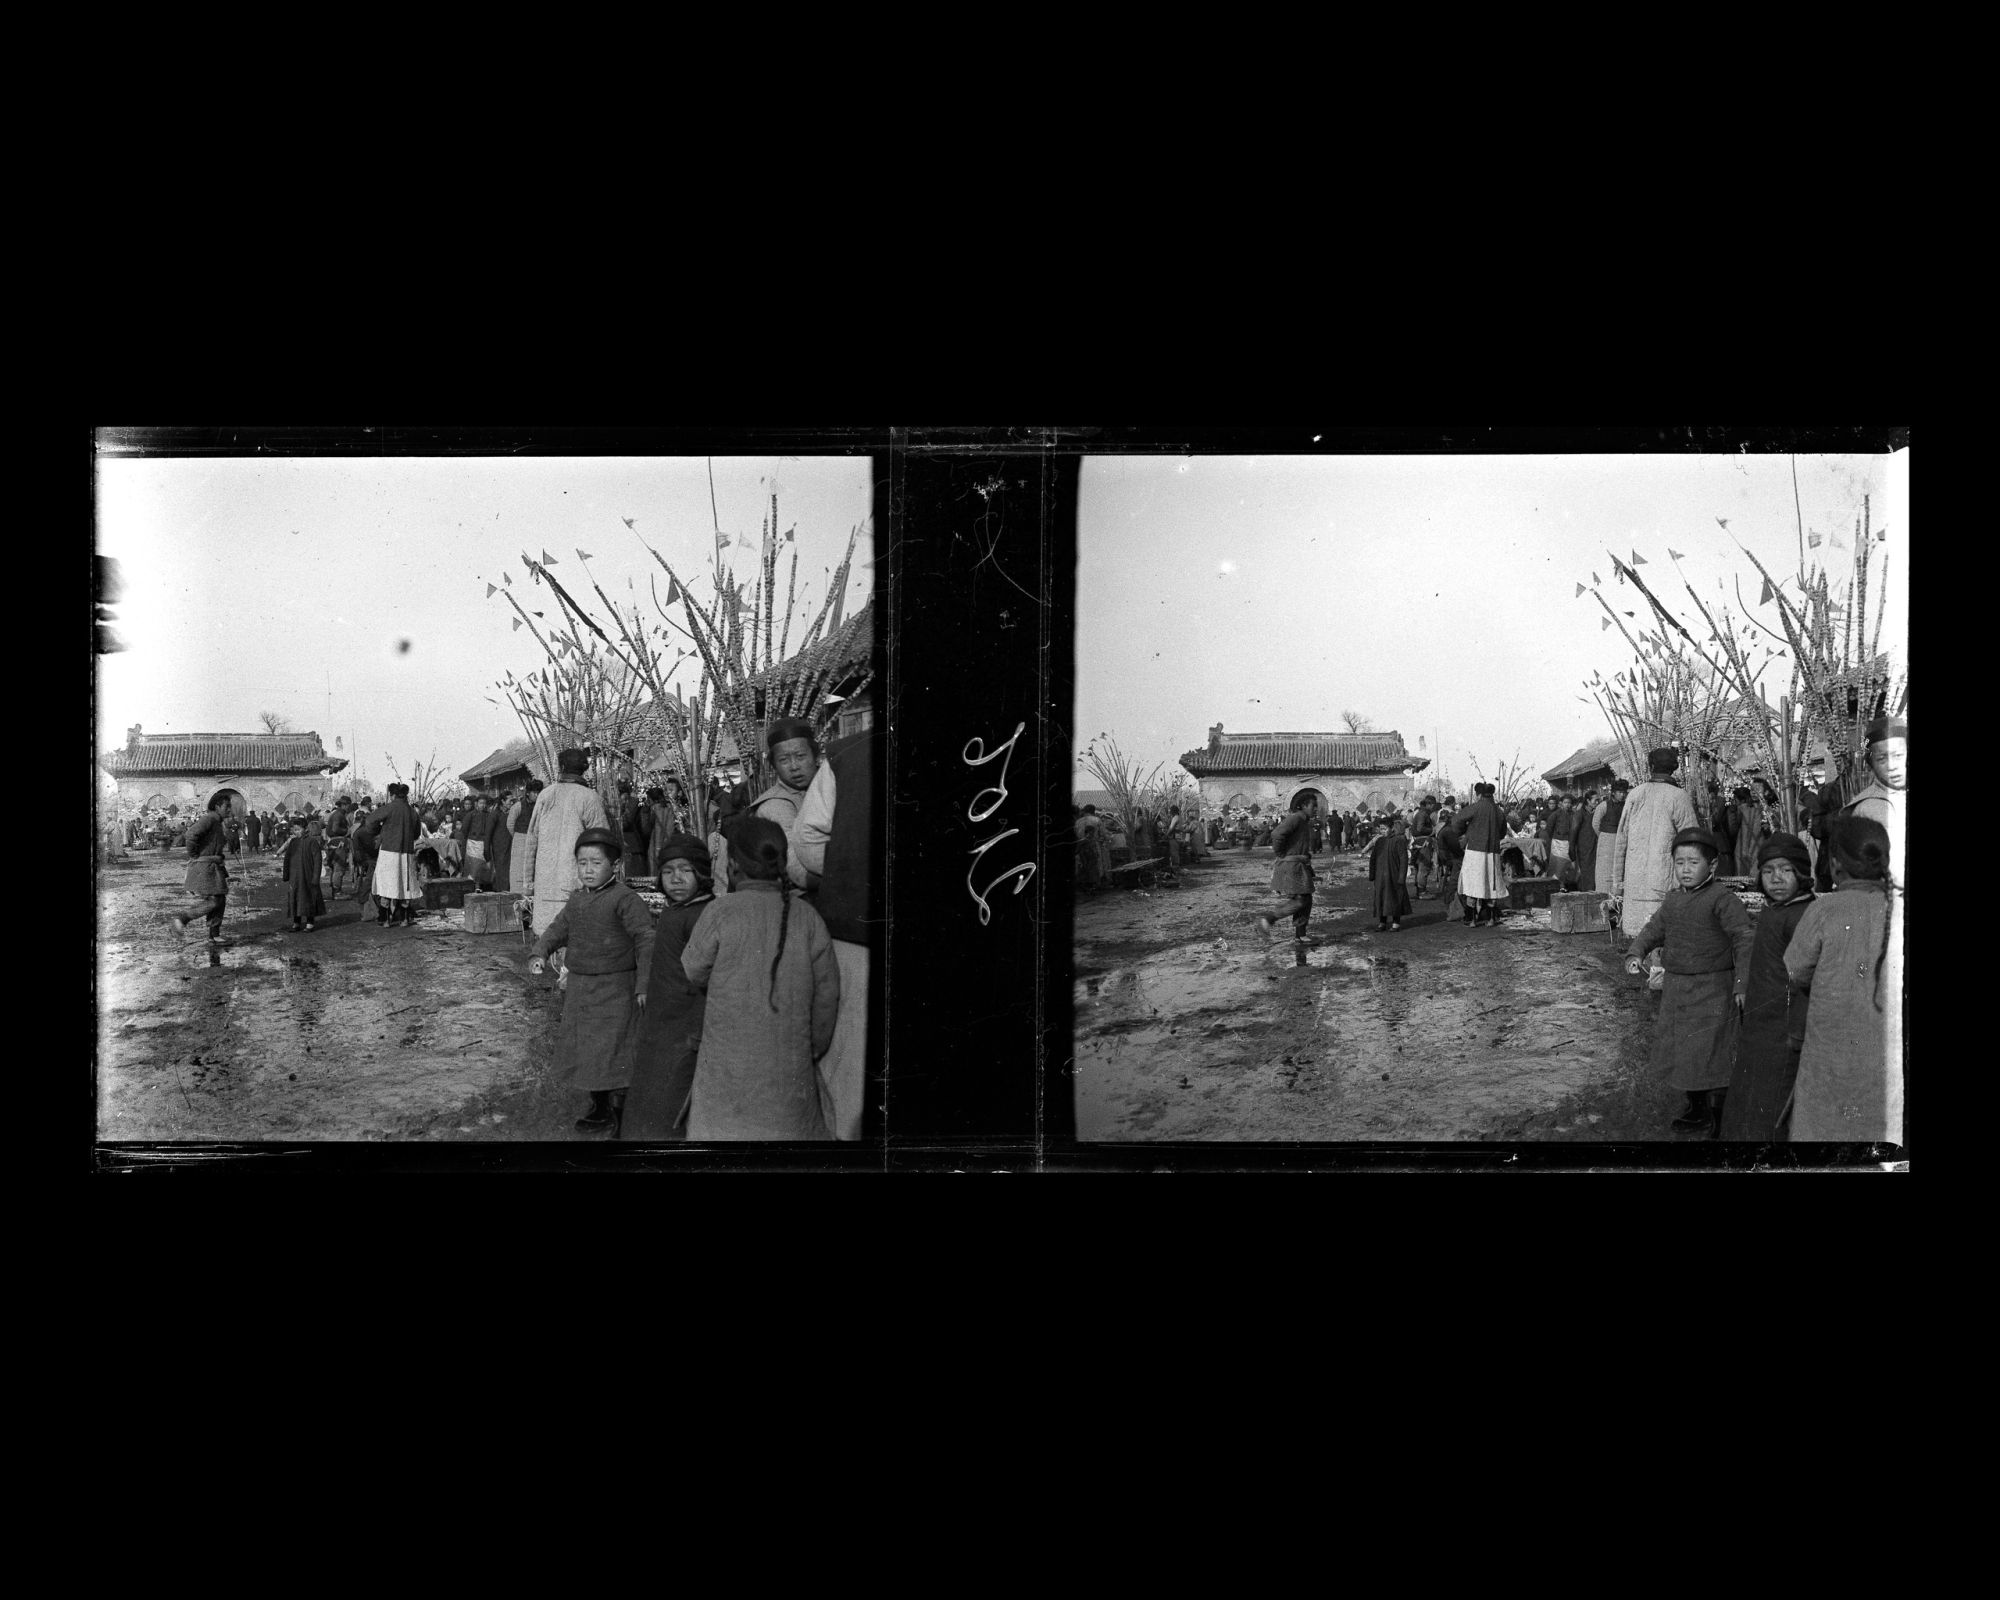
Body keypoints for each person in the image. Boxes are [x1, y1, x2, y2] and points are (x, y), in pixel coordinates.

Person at [684, 816, 841, 1140]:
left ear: (734, 866)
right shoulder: (808, 916)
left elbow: (693, 968)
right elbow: (828, 991)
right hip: (788, 1067)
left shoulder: (720, 911)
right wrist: (812, 1045)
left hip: (726, 1066)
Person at [1623, 826, 1755, 1137]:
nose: (1685, 869)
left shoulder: (1722, 900)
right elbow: (1654, 929)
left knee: (1713, 1053)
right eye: (1679, 862)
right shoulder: (1671, 901)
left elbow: (1744, 939)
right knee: (1684, 1051)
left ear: (1712, 866)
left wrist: (1742, 983)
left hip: (1713, 989)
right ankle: (1695, 1108)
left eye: (1693, 863)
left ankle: (1718, 1117)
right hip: (1678, 989)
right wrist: (1636, 952)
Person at [1783, 813, 1902, 1143]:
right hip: (1885, 1040)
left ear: (1834, 865)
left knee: (1824, 1121)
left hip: (1831, 1040)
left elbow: (1795, 968)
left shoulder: (1823, 910)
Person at [786, 721, 878, 1140]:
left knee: (852, 1059)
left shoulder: (850, 751)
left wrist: (849, 870)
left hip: (855, 925)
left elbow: (807, 838)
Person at [530, 827, 655, 1136]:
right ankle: (598, 1106)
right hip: (582, 989)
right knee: (588, 1051)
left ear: (615, 865)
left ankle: (620, 1114)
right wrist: (540, 951)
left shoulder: (625, 899)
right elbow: (559, 928)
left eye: (596, 863)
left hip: (616, 988)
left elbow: (646, 940)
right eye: (582, 862)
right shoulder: (576, 900)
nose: (587, 869)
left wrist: (644, 985)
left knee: (615, 1052)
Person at [1719, 833, 1818, 1142]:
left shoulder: (1804, 915)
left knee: (1774, 1095)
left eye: (1786, 870)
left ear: (1802, 873)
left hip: (1785, 1026)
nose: (1776, 879)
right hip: (1762, 1021)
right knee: (1751, 1088)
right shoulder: (1775, 909)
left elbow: (1810, 979)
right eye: (1768, 871)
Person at [621, 834, 716, 1140]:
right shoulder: (676, 910)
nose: (676, 879)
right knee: (653, 1078)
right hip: (662, 1013)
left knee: (674, 1081)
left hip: (686, 1016)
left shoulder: (703, 915)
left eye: (685, 870)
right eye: (668, 871)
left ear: (702, 873)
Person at [1606, 748, 1698, 945]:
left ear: (1650, 767)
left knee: (1639, 939)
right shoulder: (1679, 797)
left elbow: (1621, 840)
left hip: (1635, 878)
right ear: (1675, 768)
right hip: (1664, 878)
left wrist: (1618, 884)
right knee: (1662, 939)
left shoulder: (1635, 795)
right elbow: (1692, 843)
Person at [521, 751, 611, 935]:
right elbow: (603, 843)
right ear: (583, 770)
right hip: (575, 877)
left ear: (560, 768)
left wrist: (528, 883)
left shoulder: (545, 795)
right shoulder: (590, 797)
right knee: (574, 934)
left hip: (546, 879)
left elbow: (531, 840)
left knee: (547, 934)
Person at [1843, 716, 1907, 884]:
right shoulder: (1867, 808)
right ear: (1871, 763)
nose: (1892, 765)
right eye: (1881, 759)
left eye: (1898, 755)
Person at [166, 793, 233, 943]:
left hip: (213, 866)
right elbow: (190, 834)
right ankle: (181, 920)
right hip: (205, 867)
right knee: (215, 900)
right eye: (226, 806)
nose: (229, 810)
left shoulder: (217, 822)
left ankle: (214, 935)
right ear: (217, 806)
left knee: (220, 899)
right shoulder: (208, 819)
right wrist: (195, 855)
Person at [1258, 792, 1319, 940]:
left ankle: (1300, 936)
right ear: (1304, 806)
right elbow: (1277, 834)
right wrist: (1281, 853)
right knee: (1300, 900)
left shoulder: (1304, 821)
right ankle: (1268, 919)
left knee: (1306, 899)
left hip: (1299, 864)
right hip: (1292, 866)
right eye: (1313, 806)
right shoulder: (1295, 818)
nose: (1316, 809)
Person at [751, 717, 821, 836]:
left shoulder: (832, 786)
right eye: (784, 760)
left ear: (815, 756)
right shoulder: (774, 805)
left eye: (800, 756)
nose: (794, 767)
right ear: (774, 765)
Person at [1455, 782, 1509, 927]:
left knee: (1473, 883)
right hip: (1493, 852)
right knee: (1492, 884)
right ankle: (1491, 919)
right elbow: (1503, 832)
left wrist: (1464, 830)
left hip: (1474, 851)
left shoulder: (1476, 807)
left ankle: (1471, 919)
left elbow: (1457, 820)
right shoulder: (1499, 811)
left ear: (1479, 794)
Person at [371, 782, 423, 927]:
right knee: (405, 884)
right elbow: (417, 833)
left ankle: (386, 919)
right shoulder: (413, 812)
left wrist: (381, 831)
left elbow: (370, 821)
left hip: (388, 851)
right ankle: (405, 919)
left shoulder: (389, 807)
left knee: (387, 883)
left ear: (392, 795)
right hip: (407, 852)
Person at [279, 817, 326, 933]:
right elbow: (287, 859)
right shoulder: (293, 842)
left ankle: (310, 923)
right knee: (295, 898)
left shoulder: (312, 842)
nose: (296, 832)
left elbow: (317, 860)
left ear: (305, 829)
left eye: (298, 829)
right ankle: (296, 922)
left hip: (308, 876)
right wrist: (286, 874)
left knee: (309, 898)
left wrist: (316, 877)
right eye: (294, 830)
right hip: (295, 877)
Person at [1369, 812, 1412, 932]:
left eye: (1385, 829)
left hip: (1394, 875)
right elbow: (1373, 858)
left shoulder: (1399, 841)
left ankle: (1396, 923)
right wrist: (1372, 874)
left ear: (1392, 828)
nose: (1382, 831)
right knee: (1381, 898)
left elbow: (1403, 860)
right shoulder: (1379, 841)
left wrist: (1401, 877)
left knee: (1395, 898)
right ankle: (1382, 922)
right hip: (1380, 876)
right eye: (1381, 829)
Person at [348, 799, 378, 902]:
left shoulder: (358, 831)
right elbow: (369, 849)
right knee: (372, 870)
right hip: (366, 859)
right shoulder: (363, 832)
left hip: (362, 858)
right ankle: (364, 896)